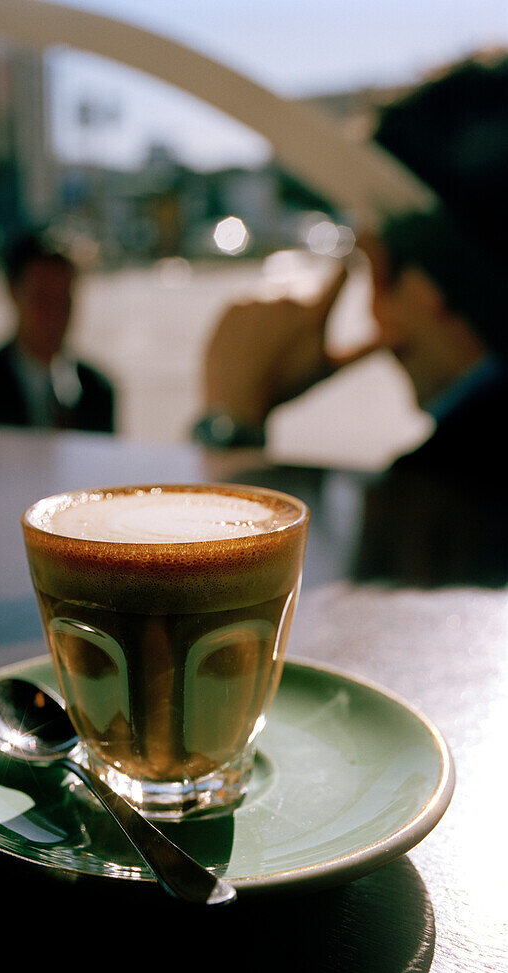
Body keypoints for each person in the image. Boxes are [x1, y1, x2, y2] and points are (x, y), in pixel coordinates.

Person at [195, 52, 508, 586]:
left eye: (369, 266)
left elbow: (233, 637)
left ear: (427, 288)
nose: (374, 318)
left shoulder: (438, 501)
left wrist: (233, 424)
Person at [0, 228, 115, 432]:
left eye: (63, 300)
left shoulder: (97, 392)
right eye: (42, 300)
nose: (54, 315)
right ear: (13, 292)